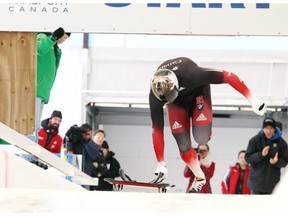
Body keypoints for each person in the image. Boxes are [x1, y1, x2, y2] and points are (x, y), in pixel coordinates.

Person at [149, 57, 267, 193]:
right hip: (176, 105)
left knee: (201, 138)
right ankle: (199, 178)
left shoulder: (192, 73)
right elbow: (156, 130)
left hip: (198, 93)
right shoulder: (155, 95)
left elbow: (228, 76)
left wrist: (252, 99)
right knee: (183, 145)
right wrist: (161, 163)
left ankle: (202, 132)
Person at [33, 27, 71, 142]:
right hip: (36, 88)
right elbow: (38, 49)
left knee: (36, 125)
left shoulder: (56, 50)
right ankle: (27, 155)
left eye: (66, 39)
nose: (62, 40)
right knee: (32, 124)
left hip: (43, 91)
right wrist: (53, 37)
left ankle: (30, 154)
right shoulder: (43, 37)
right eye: (63, 36)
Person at [245, 117, 288, 194]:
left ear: (274, 129)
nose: (268, 131)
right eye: (266, 128)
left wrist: (276, 161)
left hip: (273, 185)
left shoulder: (281, 143)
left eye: (271, 128)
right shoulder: (255, 140)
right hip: (256, 184)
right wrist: (261, 155)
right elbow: (248, 158)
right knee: (256, 205)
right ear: (263, 129)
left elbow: (285, 162)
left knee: (271, 206)